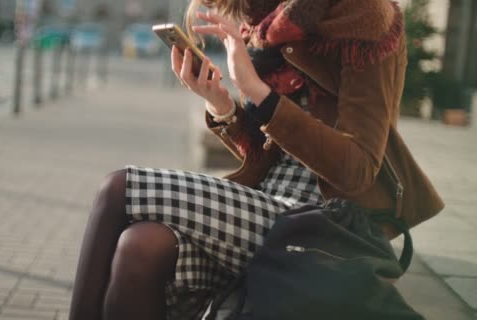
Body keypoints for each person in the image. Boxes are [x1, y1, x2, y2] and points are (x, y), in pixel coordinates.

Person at [68, 0, 444, 319]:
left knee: (119, 186)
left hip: (326, 219)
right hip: (264, 205)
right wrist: (221, 104)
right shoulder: (264, 21)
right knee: (140, 244)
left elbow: (358, 169)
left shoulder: (365, 18)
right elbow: (267, 154)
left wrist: (258, 92)